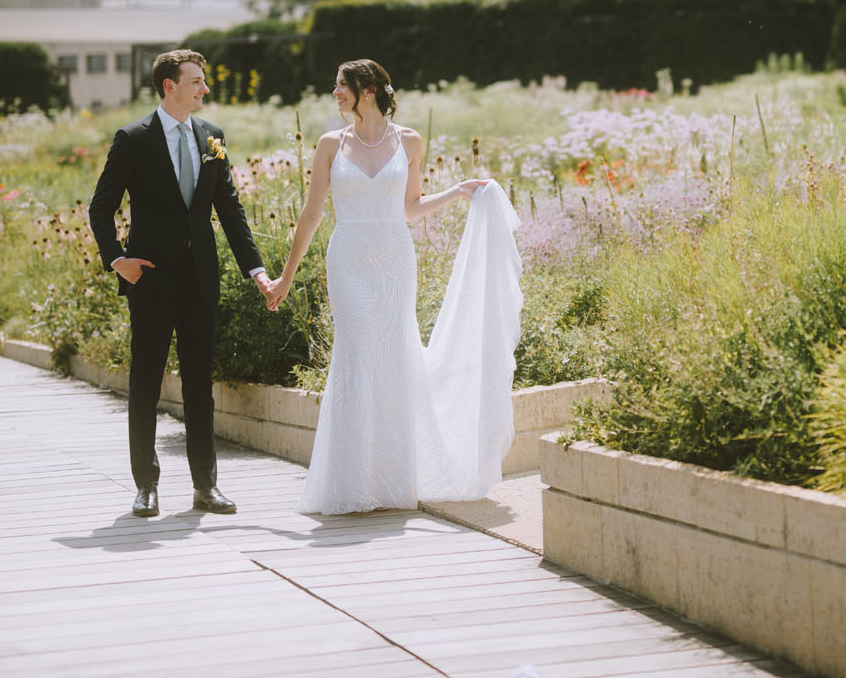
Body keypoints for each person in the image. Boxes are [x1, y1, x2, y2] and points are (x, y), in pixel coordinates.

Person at [265, 58, 524, 515]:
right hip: (348, 258)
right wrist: (286, 275)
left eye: (341, 86)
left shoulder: (408, 140)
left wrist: (460, 191)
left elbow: (410, 208)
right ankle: (350, 481)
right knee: (356, 357)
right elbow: (311, 214)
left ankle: (393, 478)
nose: (335, 93)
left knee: (395, 358)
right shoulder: (329, 144)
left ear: (367, 90)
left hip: (393, 260)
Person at [88, 49, 270, 518]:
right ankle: (145, 485)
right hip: (149, 279)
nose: (204, 88)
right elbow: (100, 207)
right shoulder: (132, 139)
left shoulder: (213, 137)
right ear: (169, 86)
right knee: (146, 382)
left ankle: (205, 486)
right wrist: (117, 260)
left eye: (202, 81)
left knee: (198, 384)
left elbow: (229, 209)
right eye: (195, 81)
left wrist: (257, 271)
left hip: (200, 280)